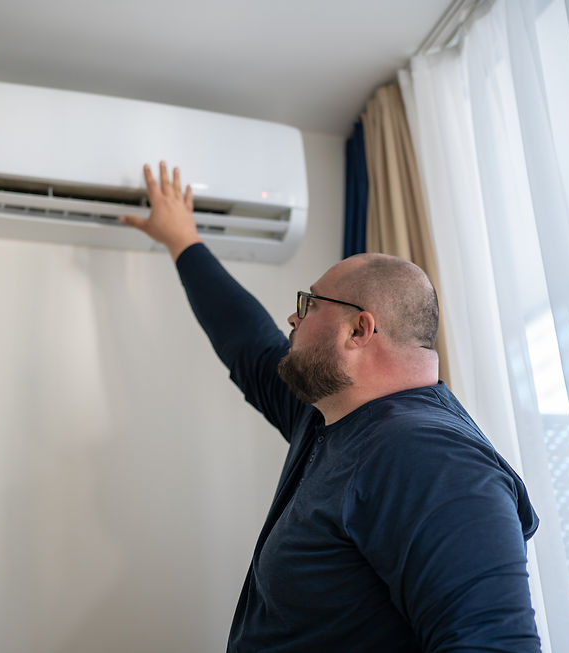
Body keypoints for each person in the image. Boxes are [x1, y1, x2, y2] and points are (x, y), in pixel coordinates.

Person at [121, 162, 541, 652]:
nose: (292, 319)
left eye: (310, 304)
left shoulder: (428, 457)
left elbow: (493, 644)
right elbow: (248, 343)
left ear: (359, 330)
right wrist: (182, 241)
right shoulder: (329, 415)